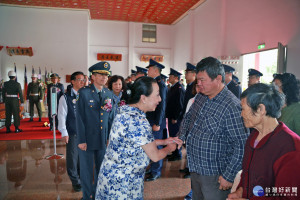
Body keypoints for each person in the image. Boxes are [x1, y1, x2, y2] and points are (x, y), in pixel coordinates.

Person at [95, 76, 179, 199]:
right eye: (156, 95)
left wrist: (163, 141)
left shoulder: (125, 112)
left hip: (110, 177)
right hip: (123, 185)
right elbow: (155, 156)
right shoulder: (138, 121)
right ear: (143, 98)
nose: (160, 99)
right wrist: (169, 148)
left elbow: (137, 142)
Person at [177, 57, 249, 200]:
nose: (199, 84)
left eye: (202, 80)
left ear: (218, 79)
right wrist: (181, 136)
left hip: (215, 174)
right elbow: (188, 118)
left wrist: (228, 176)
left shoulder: (231, 106)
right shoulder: (201, 97)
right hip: (196, 167)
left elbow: (241, 145)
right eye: (198, 79)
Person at [227, 83, 300, 200]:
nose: (241, 114)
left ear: (261, 109)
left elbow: (288, 196)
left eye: (243, 109)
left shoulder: (290, 146)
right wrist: (241, 191)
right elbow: (247, 175)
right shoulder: (253, 137)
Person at [76, 61, 115, 200]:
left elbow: (111, 118)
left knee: (102, 170)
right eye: (100, 75)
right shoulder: (84, 93)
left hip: (103, 139)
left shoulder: (108, 93)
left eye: (106, 75)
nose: (104, 78)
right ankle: (87, 196)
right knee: (86, 171)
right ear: (93, 76)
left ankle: (98, 194)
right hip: (87, 139)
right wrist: (81, 140)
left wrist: (110, 137)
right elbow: (79, 118)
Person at [58, 71, 85, 192]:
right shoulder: (65, 97)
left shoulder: (86, 95)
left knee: (82, 157)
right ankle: (75, 181)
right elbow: (61, 116)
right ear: (73, 81)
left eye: (83, 79)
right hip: (73, 132)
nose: (82, 82)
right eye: (79, 79)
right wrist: (64, 132)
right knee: (73, 158)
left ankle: (81, 177)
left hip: (85, 132)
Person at [145, 59, 168, 181]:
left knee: (156, 146)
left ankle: (156, 171)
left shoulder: (160, 85)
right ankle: (152, 167)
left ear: (155, 70)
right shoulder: (154, 83)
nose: (147, 71)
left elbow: (162, 105)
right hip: (151, 120)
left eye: (149, 69)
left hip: (156, 122)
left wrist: (158, 123)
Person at [166, 68, 185, 161]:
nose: (169, 77)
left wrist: (176, 117)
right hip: (171, 116)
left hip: (175, 118)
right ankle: (174, 152)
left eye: (171, 76)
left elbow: (180, 105)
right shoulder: (173, 87)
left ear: (176, 77)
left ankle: (178, 154)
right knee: (172, 136)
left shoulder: (179, 88)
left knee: (176, 136)